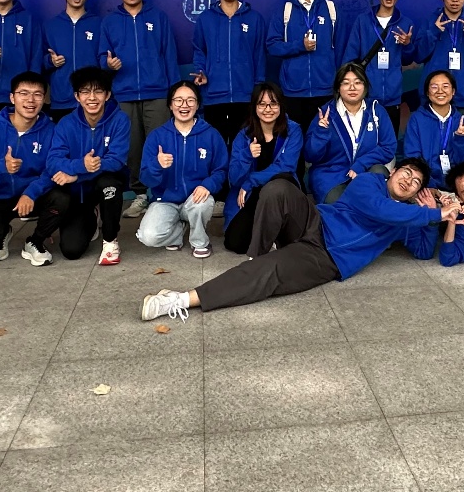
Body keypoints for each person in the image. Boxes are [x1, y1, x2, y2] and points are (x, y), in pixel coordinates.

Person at [139, 160, 439, 321]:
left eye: (416, 182)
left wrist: (431, 217)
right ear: (393, 172)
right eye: (406, 173)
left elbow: (424, 251)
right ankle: (257, 254)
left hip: (326, 257)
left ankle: (180, 299)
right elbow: (380, 209)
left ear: (417, 193)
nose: (408, 181)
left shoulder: (409, 217)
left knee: (269, 272)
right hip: (314, 220)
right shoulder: (369, 182)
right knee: (279, 188)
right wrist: (434, 213)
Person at [99, 0, 179, 217]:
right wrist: (108, 65)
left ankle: (164, 194)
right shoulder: (110, 21)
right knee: (133, 148)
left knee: (161, 145)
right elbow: (102, 56)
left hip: (158, 93)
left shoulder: (159, 17)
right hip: (124, 95)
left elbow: (169, 55)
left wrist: (174, 94)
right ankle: (141, 194)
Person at [0, 72, 61, 262]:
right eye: (23, 93)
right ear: (12, 97)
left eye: (37, 94)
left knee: (62, 198)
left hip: (33, 195)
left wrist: (30, 193)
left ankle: (35, 240)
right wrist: (1, 166)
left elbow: (53, 168)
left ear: (44, 99)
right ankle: (2, 232)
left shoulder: (51, 130)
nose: (30, 100)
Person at [45, 67, 130, 266]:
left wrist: (77, 174)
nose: (92, 97)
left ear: (107, 95)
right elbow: (52, 162)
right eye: (85, 91)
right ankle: (93, 215)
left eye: (98, 91)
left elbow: (116, 160)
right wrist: (80, 165)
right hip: (78, 194)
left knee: (109, 184)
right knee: (71, 250)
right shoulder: (66, 123)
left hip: (105, 181)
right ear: (77, 96)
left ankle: (110, 240)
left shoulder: (120, 120)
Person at [136, 80, 229, 258]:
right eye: (178, 100)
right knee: (148, 237)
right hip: (164, 200)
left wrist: (208, 185)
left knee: (203, 203)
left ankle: (199, 241)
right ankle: (178, 230)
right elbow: (145, 178)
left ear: (198, 104)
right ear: (170, 105)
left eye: (190, 100)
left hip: (195, 198)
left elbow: (221, 170)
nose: (184, 105)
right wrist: (157, 165)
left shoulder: (210, 134)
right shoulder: (157, 136)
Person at [192, 0, 267, 148]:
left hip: (245, 96)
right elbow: (199, 49)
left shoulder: (254, 18)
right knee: (214, 148)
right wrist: (201, 71)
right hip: (214, 95)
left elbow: (259, 55)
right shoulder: (206, 18)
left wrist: (258, 89)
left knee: (243, 147)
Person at [223, 81, 303, 254]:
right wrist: (247, 155)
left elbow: (286, 166)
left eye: (273, 103)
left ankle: (276, 231)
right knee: (235, 243)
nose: (268, 109)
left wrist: (251, 180)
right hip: (252, 195)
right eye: (262, 104)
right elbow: (234, 178)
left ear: (281, 106)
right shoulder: (244, 135)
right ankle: (269, 233)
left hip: (280, 191)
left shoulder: (293, 130)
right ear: (254, 107)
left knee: (281, 179)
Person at [267, 0, 340, 137]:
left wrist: (337, 82)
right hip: (293, 92)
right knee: (294, 142)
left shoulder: (331, 9)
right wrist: (299, 45)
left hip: (324, 90)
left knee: (323, 142)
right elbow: (272, 46)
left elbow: (342, 49)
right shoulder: (285, 10)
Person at [304, 62, 397, 205]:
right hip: (331, 175)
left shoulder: (376, 111)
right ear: (338, 87)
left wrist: (361, 163)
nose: (352, 88)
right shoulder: (326, 114)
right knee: (342, 208)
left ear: (365, 86)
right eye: (346, 83)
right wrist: (321, 133)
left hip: (366, 169)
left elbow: (388, 147)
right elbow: (311, 156)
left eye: (358, 82)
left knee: (375, 195)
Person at [340, 0, 415, 134]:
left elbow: (408, 60)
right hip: (366, 97)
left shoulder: (405, 23)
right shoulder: (363, 21)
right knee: (365, 142)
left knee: (390, 143)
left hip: (393, 99)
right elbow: (349, 58)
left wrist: (407, 45)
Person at [402, 69, 464, 191]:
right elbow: (412, 157)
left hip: (456, 185)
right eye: (434, 87)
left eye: (445, 86)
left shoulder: (462, 121)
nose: (440, 91)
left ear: (453, 91)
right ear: (427, 92)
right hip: (425, 183)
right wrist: (429, 184)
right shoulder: (417, 119)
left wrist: (460, 140)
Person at [42, 0, 99, 122]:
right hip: (61, 99)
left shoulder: (100, 24)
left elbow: (106, 58)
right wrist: (50, 61)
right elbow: (38, 60)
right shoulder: (50, 25)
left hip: (93, 98)